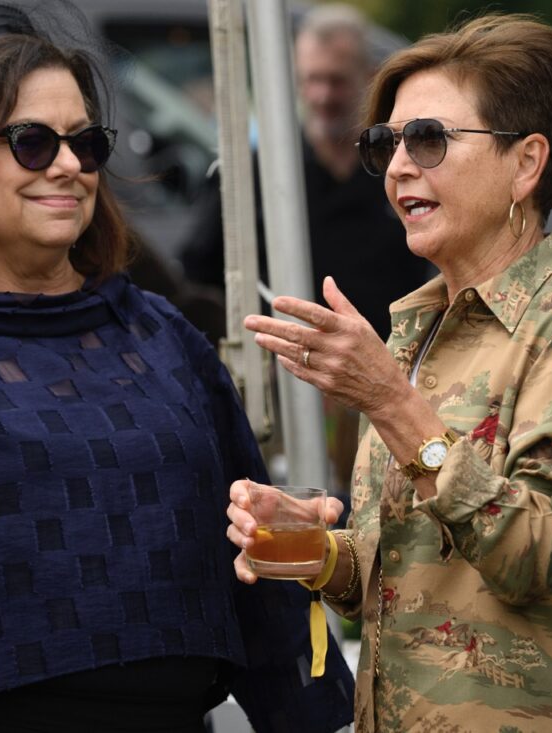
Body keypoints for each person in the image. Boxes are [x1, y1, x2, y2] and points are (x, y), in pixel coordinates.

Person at [0, 3, 356, 732]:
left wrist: (314, 717)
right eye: (32, 143)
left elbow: (255, 568)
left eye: (86, 142)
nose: (69, 166)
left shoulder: (160, 334)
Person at [226, 13, 552, 733]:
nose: (397, 166)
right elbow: (390, 585)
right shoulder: (415, 330)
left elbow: (529, 554)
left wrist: (391, 401)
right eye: (384, 143)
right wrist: (312, 547)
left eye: (427, 140)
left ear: (525, 163)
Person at [182, 4, 429, 500]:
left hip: (396, 379)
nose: (322, 96)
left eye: (335, 81)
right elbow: (197, 270)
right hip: (292, 391)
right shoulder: (259, 172)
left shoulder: (395, 167)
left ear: (366, 77)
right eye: (310, 80)